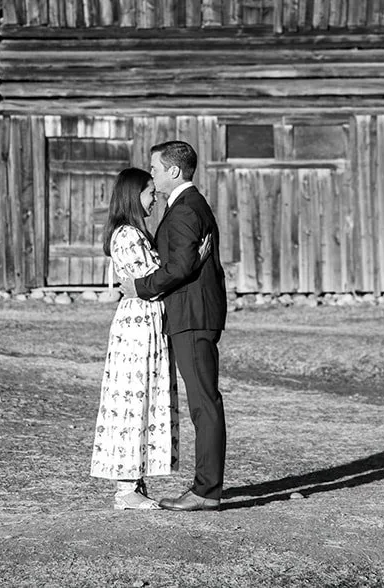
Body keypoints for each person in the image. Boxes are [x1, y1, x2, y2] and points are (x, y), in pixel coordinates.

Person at [119, 140, 228, 512]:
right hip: (191, 314)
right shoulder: (186, 206)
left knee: (203, 403)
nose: (151, 175)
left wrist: (139, 287)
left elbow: (179, 267)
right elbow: (185, 262)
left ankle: (206, 491)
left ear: (173, 171)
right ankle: (206, 488)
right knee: (203, 401)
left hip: (193, 317)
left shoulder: (184, 210)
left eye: (154, 169)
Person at [90, 167, 178, 510]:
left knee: (144, 397)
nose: (154, 200)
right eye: (150, 193)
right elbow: (152, 283)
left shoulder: (135, 234)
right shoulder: (128, 235)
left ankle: (134, 483)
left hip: (145, 321)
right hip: (139, 323)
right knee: (132, 400)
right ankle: (126, 490)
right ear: (133, 195)